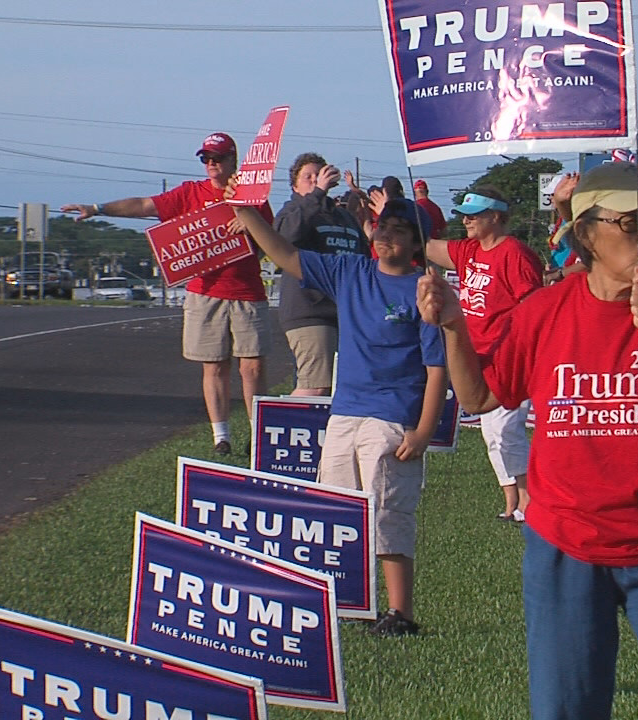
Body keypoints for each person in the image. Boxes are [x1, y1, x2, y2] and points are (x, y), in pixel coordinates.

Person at [417, 162, 638, 719]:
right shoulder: (545, 310)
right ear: (586, 233)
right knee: (567, 708)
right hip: (566, 539)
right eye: (629, 222)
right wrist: (451, 327)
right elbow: (481, 399)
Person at [232, 190, 447, 637]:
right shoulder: (349, 271)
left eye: (400, 231)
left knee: (388, 513)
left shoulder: (424, 291)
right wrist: (247, 212)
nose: (387, 235)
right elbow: (286, 255)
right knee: (335, 514)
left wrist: (424, 430)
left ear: (414, 244)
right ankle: (345, 604)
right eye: (382, 227)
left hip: (392, 419)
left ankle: (400, 613)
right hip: (344, 413)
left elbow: (437, 370)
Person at [61, 132, 273, 455]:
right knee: (213, 365)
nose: (211, 164)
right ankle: (221, 437)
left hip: (247, 292)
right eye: (206, 159)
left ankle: (258, 436)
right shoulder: (189, 193)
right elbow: (145, 205)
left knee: (252, 368)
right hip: (205, 292)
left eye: (218, 158)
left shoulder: (253, 195)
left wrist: (252, 223)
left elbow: (271, 241)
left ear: (233, 160)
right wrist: (97, 208)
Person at [424, 187, 543, 522]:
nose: (466, 220)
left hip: (510, 357)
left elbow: (533, 306)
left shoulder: (513, 253)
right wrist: (384, 221)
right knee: (492, 433)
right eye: (464, 214)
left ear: (496, 216)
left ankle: (530, 498)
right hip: (478, 357)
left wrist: (519, 349)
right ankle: (512, 501)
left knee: (506, 429)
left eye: (473, 215)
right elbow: (426, 245)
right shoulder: (469, 250)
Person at [273, 153, 369, 396]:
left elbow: (363, 258)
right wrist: (316, 195)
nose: (315, 181)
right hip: (310, 312)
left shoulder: (344, 217)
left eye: (319, 175)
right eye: (308, 177)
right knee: (315, 386)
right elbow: (284, 239)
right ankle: (277, 426)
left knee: (341, 388)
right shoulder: (292, 211)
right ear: (295, 185)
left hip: (345, 314)